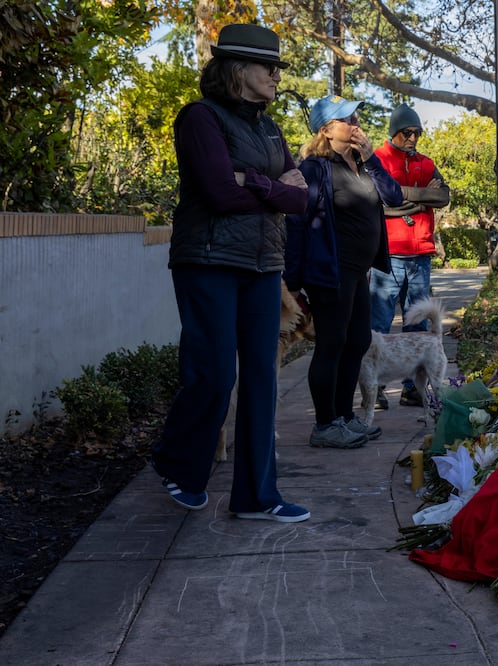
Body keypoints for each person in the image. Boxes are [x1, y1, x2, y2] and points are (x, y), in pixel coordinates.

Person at [151, 24, 312, 522]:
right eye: (270, 68)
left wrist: (254, 182)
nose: (277, 76)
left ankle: (258, 497)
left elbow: (302, 198)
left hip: (264, 265)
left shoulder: (269, 128)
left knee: (262, 379)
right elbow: (220, 194)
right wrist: (274, 188)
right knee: (216, 374)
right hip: (209, 261)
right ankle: (180, 465)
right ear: (238, 69)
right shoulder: (200, 118)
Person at [284, 96, 404, 449]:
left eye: (355, 117)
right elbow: (297, 224)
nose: (355, 123)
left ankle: (344, 416)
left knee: (358, 341)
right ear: (325, 130)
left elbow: (394, 197)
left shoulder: (364, 164)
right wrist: (292, 282)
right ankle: (325, 425)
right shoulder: (314, 169)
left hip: (358, 271)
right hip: (330, 271)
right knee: (332, 343)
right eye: (346, 119)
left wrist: (371, 158)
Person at [370, 104, 451, 409]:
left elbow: (443, 196)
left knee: (416, 322)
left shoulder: (426, 162)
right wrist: (420, 200)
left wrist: (401, 196)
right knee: (379, 322)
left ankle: (412, 389)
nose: (413, 138)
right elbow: (378, 202)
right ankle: (375, 387)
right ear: (394, 131)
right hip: (389, 253)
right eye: (407, 132)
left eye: (417, 132)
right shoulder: (377, 159)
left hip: (421, 253)